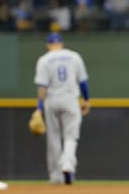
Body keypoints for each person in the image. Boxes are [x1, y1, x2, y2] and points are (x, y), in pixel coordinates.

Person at [33, 32, 91, 184]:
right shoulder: (74, 56)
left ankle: (55, 176)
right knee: (71, 136)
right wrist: (86, 100)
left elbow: (42, 87)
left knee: (53, 138)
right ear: (62, 44)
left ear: (48, 45)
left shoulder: (44, 60)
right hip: (70, 99)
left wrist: (39, 108)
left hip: (51, 100)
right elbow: (83, 82)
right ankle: (67, 165)